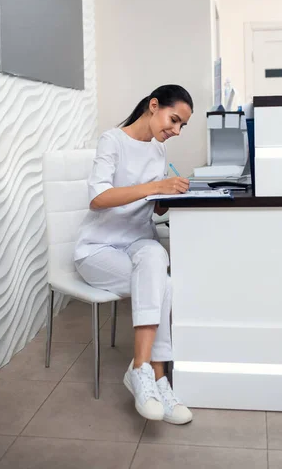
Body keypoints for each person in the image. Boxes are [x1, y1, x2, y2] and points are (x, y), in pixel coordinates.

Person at [74, 84, 194, 424]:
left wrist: (166, 199)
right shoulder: (112, 141)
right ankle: (157, 378)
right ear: (153, 106)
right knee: (163, 286)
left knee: (156, 258)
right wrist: (157, 187)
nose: (176, 130)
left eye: (182, 126)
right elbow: (98, 198)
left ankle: (142, 371)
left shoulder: (158, 152)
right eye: (174, 120)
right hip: (98, 250)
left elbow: (148, 208)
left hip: (138, 244)